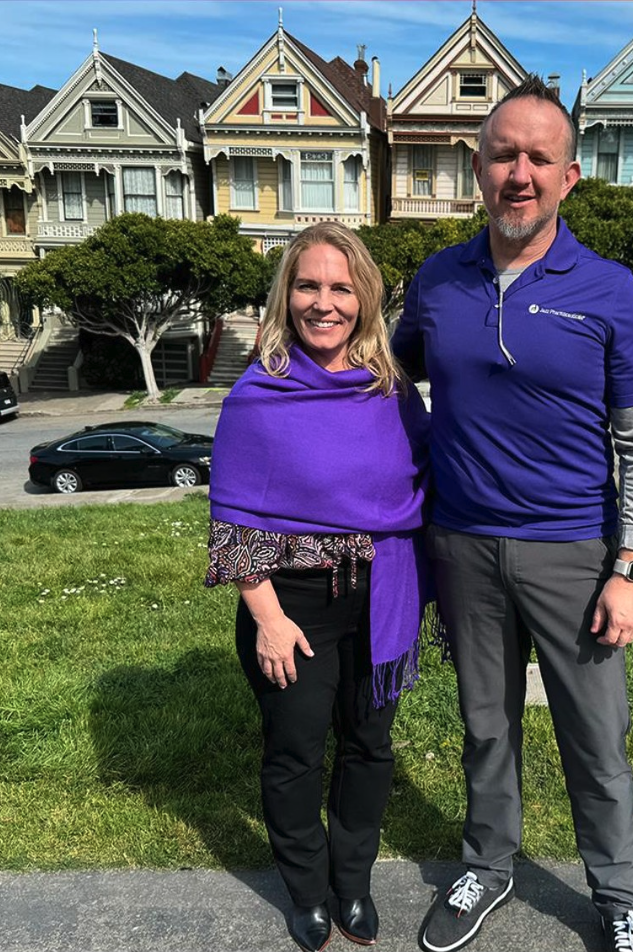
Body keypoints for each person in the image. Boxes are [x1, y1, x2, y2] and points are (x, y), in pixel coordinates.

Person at [391, 76, 633, 952]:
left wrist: (632, 569)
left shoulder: (609, 289)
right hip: (463, 548)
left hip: (574, 553)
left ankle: (619, 898)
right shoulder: (437, 281)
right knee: (485, 725)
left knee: (595, 739)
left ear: (569, 176)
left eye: (538, 157)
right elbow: (380, 377)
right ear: (476, 166)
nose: (520, 172)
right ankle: (489, 863)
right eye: (503, 153)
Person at [207, 222, 430, 952]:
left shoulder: (391, 390)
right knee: (296, 752)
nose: (324, 303)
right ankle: (306, 891)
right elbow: (234, 517)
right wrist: (266, 617)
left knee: (370, 744)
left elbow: (427, 480)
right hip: (291, 602)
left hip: (382, 592)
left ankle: (353, 883)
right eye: (308, 285)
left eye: (341, 288)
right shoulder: (258, 393)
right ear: (286, 294)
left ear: (365, 298)